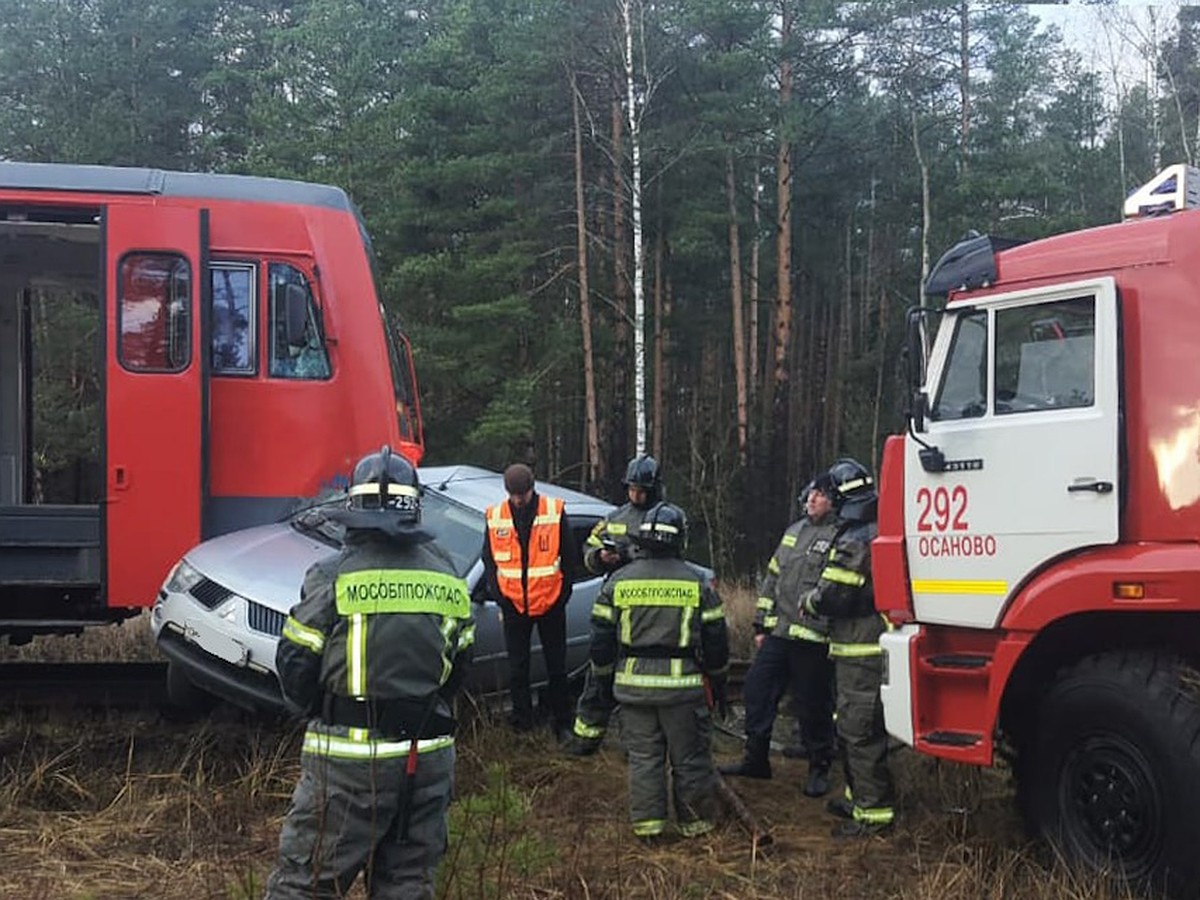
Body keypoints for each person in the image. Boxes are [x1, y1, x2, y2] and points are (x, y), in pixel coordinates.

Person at [264, 446, 475, 899]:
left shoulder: (333, 575)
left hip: (349, 763)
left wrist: (318, 710)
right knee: (407, 884)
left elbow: (295, 665)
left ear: (353, 507)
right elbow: (460, 669)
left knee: (306, 885)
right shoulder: (447, 574)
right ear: (414, 506)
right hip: (428, 755)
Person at [588, 501, 730, 839]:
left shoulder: (618, 582)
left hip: (632, 686)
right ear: (679, 539)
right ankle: (695, 826)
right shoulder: (697, 583)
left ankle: (649, 830)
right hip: (682, 689)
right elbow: (716, 644)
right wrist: (719, 681)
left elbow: (601, 644)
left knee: (644, 759)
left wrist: (605, 684)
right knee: (690, 760)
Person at [719, 478, 837, 799]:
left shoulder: (840, 535)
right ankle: (755, 760)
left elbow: (836, 591)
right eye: (811, 493)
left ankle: (819, 767)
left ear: (834, 500)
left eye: (821, 495)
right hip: (779, 635)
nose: (812, 499)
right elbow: (773, 579)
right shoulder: (794, 532)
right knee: (757, 691)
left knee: (813, 705)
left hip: (814, 640)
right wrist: (760, 625)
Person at [804, 457, 896, 838]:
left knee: (859, 730)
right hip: (860, 648)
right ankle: (858, 797)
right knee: (853, 725)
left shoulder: (855, 538)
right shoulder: (876, 529)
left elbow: (834, 596)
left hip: (862, 650)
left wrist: (810, 600)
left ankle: (873, 815)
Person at [566, 454, 663, 756]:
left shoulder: (667, 516)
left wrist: (629, 556)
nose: (635, 495)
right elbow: (591, 545)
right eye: (631, 489)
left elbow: (668, 556)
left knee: (644, 675)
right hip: (614, 605)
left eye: (641, 489)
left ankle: (640, 741)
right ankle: (587, 737)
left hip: (649, 610)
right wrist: (600, 557)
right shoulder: (616, 517)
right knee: (600, 670)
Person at [481, 463, 576, 738]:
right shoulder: (495, 516)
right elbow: (488, 560)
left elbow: (570, 559)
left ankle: (563, 723)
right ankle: (523, 724)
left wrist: (561, 597)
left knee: (557, 667)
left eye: (522, 494)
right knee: (517, 670)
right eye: (514, 494)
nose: (518, 500)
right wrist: (500, 598)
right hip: (514, 605)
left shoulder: (554, 511)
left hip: (550, 604)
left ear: (532, 488)